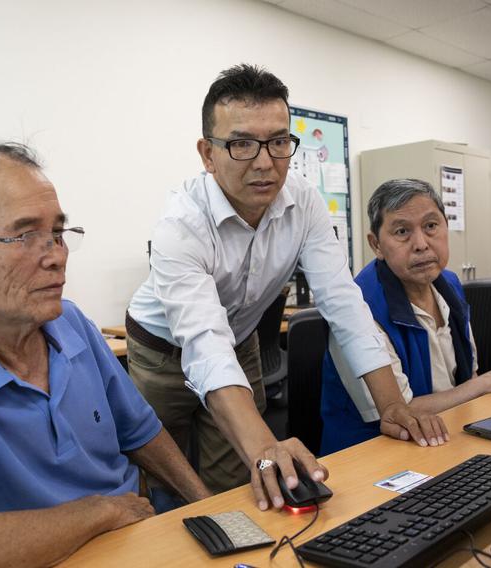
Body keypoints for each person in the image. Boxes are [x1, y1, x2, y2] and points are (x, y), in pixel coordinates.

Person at [0, 139, 211, 567]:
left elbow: (142, 433)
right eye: (25, 235)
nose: (56, 257)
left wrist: (207, 509)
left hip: (132, 543)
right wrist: (98, 511)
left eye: (57, 233)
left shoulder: (71, 324)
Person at [125, 64, 448, 511]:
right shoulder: (181, 225)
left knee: (241, 481)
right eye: (241, 143)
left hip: (238, 342)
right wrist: (264, 445)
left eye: (278, 142)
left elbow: (343, 304)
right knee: (166, 475)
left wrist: (392, 404)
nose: (264, 162)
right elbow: (203, 342)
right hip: (159, 351)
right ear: (207, 153)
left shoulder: (304, 201)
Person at [320, 179, 491, 455]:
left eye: (431, 226)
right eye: (402, 232)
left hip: (445, 435)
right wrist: (488, 382)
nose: (421, 244)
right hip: (374, 455)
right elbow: (399, 412)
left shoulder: (449, 284)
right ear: (376, 245)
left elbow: (468, 376)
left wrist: (487, 385)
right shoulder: (358, 309)